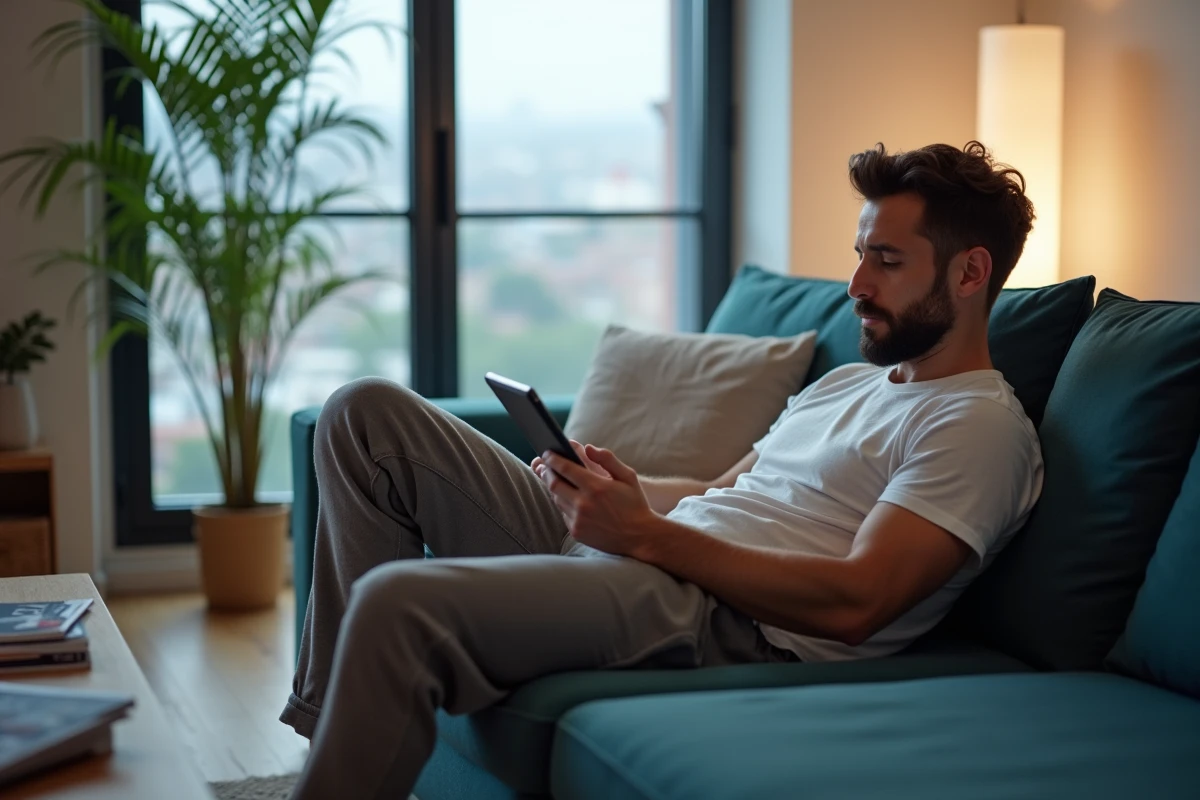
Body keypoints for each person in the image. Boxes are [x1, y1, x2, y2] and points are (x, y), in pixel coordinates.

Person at [281, 141, 1044, 799]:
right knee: (365, 415)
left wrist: (646, 536)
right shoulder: (849, 382)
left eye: (887, 261)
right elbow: (724, 492)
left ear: (971, 272)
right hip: (657, 554)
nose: (856, 287)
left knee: (399, 601)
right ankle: (333, 750)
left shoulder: (975, 425)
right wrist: (625, 492)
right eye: (859, 255)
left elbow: (858, 601)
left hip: (722, 619)